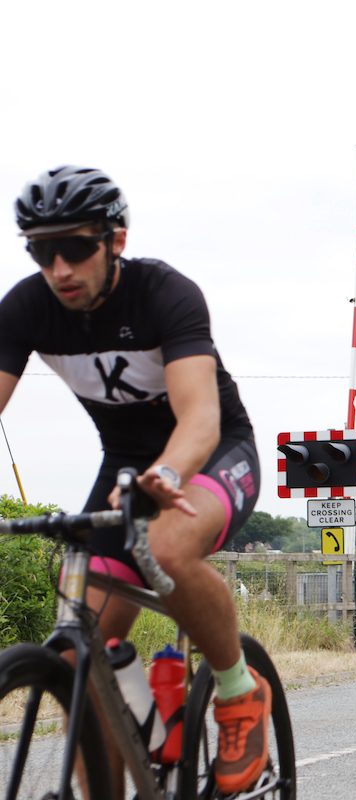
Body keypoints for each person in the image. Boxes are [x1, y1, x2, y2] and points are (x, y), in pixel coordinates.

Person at [0, 166, 268, 795]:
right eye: (42, 250)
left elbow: (199, 415)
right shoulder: (27, 309)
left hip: (209, 456)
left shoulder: (164, 293)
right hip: (122, 467)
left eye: (76, 247)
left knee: (167, 547)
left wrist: (167, 473)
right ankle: (131, 726)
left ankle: (236, 690)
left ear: (115, 239)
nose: (59, 267)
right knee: (75, 655)